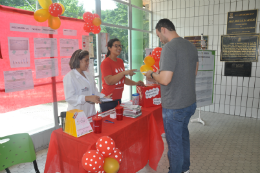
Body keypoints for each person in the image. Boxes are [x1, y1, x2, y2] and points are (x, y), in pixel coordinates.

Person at [145, 19, 199, 173]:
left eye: (158, 35)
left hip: (174, 105)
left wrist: (152, 74)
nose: (159, 39)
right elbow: (194, 72)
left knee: (174, 144)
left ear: (163, 29)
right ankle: (185, 169)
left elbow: (165, 79)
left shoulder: (169, 48)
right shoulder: (191, 46)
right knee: (183, 137)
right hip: (189, 102)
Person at [63, 49, 112, 117]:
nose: (88, 63)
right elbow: (70, 98)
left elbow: (95, 92)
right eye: (86, 60)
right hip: (77, 116)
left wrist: (104, 97)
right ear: (78, 60)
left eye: (88, 60)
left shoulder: (88, 75)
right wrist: (86, 98)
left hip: (91, 113)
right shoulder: (70, 77)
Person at [100, 38, 145, 112]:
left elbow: (122, 79)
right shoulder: (106, 62)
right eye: (116, 46)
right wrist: (123, 73)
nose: (119, 48)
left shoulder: (120, 61)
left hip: (118, 99)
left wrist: (136, 83)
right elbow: (109, 81)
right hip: (108, 100)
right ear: (109, 48)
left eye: (120, 46)